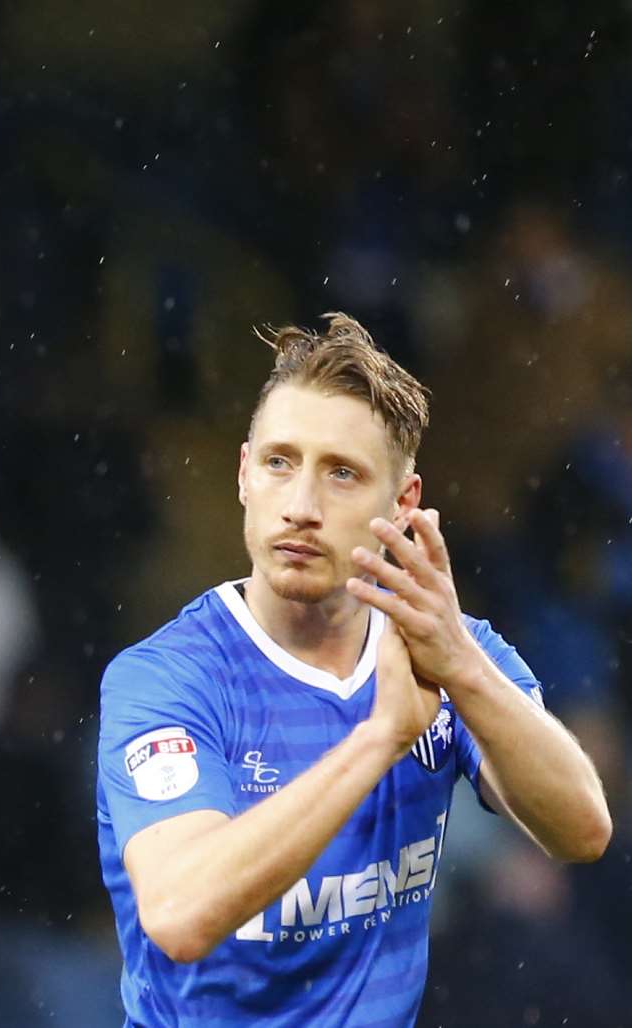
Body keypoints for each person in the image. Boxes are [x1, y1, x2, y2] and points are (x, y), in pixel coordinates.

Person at [95, 313, 611, 1026]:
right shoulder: (168, 678)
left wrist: (461, 667)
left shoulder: (451, 656)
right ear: (244, 473)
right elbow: (181, 916)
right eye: (280, 462)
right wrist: (378, 740)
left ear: (401, 503)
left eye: (341, 474)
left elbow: (581, 830)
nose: (301, 507)